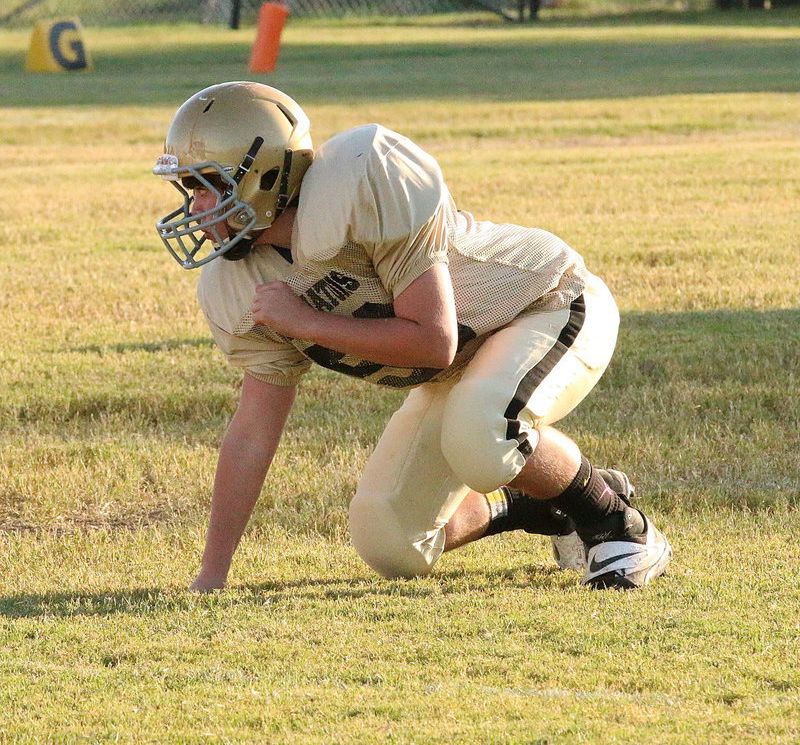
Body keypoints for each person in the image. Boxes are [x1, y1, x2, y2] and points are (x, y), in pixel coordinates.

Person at [153, 81, 672, 592]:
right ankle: (546, 500)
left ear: (262, 176)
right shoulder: (240, 286)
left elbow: (433, 343)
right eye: (189, 189)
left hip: (545, 306)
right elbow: (252, 433)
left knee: (481, 435)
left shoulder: (361, 183)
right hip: (465, 369)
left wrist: (305, 322)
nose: (195, 208)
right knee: (391, 542)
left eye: (206, 185)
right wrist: (212, 573)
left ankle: (618, 527)